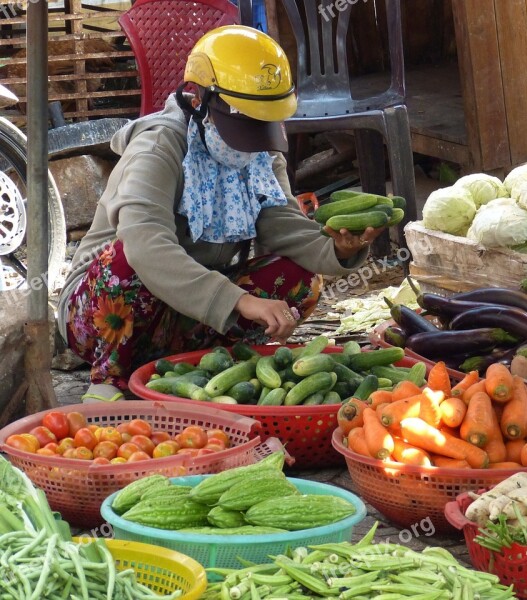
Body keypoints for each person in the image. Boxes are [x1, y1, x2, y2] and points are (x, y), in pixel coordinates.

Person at [56, 25, 383, 402]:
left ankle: (209, 363)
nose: (255, 140)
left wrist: (338, 250)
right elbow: (146, 245)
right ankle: (111, 379)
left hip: (190, 312)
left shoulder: (260, 150)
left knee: (302, 277)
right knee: (129, 257)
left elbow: (282, 223)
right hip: (105, 319)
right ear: (203, 99)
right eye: (245, 122)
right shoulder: (159, 145)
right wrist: (240, 301)